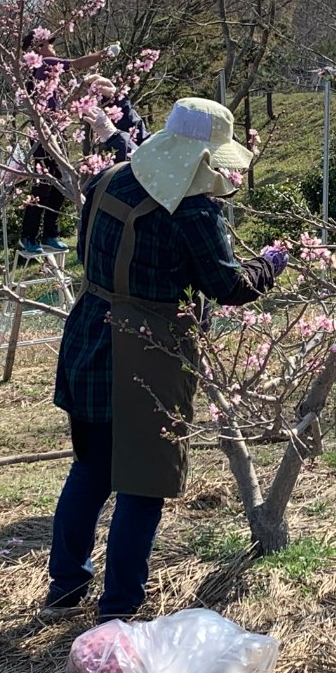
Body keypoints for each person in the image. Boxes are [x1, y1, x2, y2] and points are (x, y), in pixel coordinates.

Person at [45, 97, 288, 620]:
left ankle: (64, 591)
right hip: (146, 350)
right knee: (144, 482)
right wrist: (270, 264)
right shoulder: (193, 209)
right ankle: (119, 609)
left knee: (90, 467)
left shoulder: (109, 177)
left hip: (89, 331)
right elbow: (228, 286)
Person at [18, 31, 121, 254]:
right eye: (48, 43)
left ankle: (48, 234)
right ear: (37, 47)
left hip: (53, 130)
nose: (53, 47)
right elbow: (77, 64)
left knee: (57, 181)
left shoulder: (41, 71)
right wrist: (103, 54)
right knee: (45, 183)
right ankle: (30, 236)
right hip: (43, 132)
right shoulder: (43, 63)